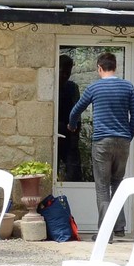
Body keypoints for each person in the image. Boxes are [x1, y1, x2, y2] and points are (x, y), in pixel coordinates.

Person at [67, 52, 134, 230]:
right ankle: (119, 227)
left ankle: (106, 232)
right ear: (115, 67)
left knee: (102, 186)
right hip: (123, 142)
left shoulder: (94, 88)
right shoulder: (128, 87)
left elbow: (75, 111)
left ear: (99, 68)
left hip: (102, 141)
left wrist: (72, 125)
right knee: (117, 183)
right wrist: (127, 137)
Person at [56, 54, 82, 183]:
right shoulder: (52, 87)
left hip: (69, 135)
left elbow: (77, 113)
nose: (65, 75)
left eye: (68, 72)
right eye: (63, 72)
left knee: (74, 173)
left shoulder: (72, 87)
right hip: (54, 135)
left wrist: (74, 136)